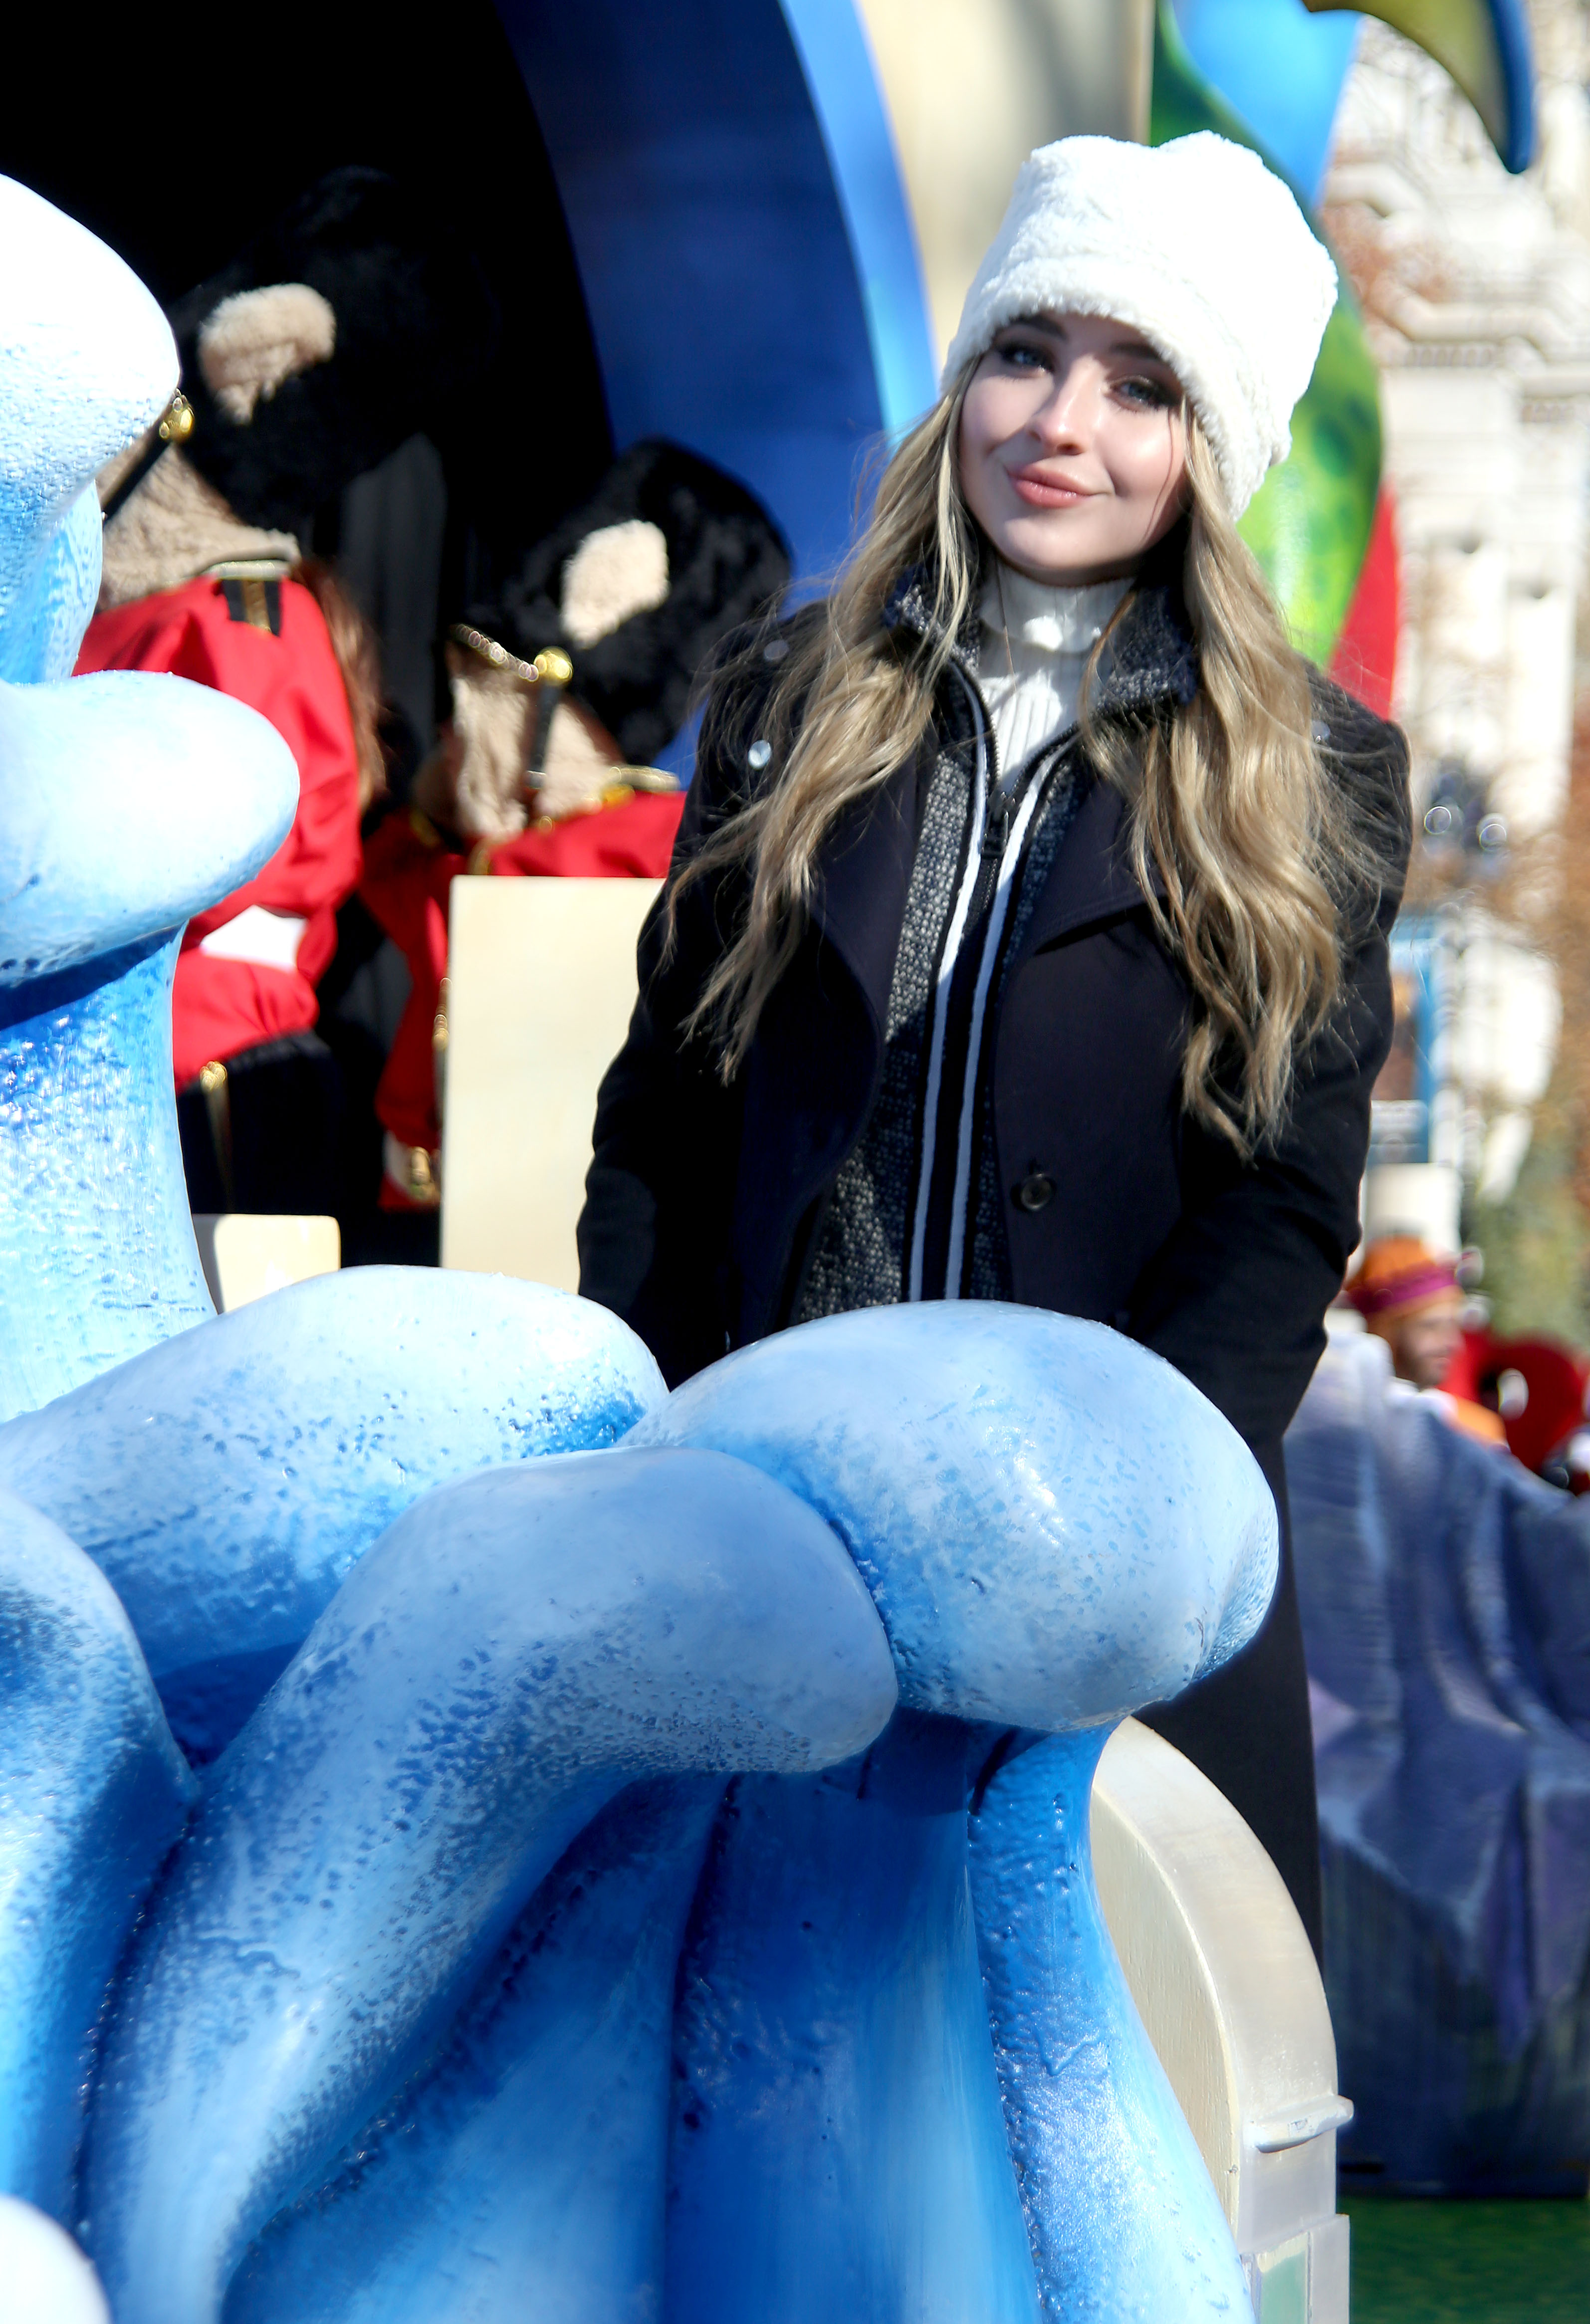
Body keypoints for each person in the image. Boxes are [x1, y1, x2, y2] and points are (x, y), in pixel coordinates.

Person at [576, 132, 1412, 1954]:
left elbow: (1280, 1209)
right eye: (1025, 352)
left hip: (1105, 1574)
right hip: (774, 1531)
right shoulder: (789, 698)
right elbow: (666, 1114)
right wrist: (647, 1440)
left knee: (1067, 2057)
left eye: (1139, 386)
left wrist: (1121, 1527)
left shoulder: (1313, 779)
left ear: (1211, 447)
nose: (1059, 423)